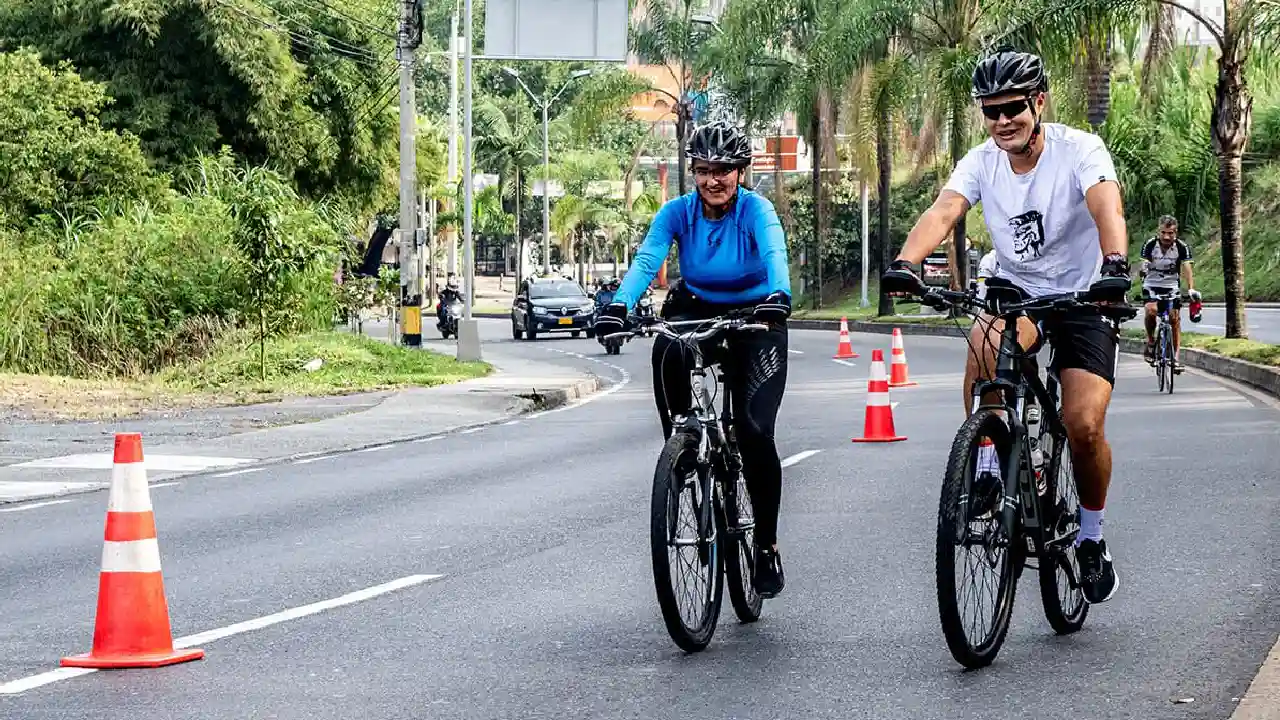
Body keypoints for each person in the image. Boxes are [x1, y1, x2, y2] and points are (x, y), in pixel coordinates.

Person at [880, 49, 1131, 605]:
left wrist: (1114, 266)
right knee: (985, 348)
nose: (1002, 122)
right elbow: (946, 209)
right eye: (991, 111)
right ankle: (990, 463)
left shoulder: (1078, 150)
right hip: (1014, 291)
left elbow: (1105, 204)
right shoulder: (981, 161)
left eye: (1013, 107)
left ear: (1038, 103)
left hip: (1084, 295)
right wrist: (906, 263)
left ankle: (1090, 538)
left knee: (1083, 424)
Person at [594, 120, 793, 598]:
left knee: (754, 432)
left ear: (740, 172)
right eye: (703, 170)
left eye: (723, 170)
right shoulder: (677, 212)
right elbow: (648, 260)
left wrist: (779, 295)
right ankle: (681, 444)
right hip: (697, 302)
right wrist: (619, 304)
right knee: (666, 346)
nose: (713, 180)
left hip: (757, 310)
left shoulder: (757, 211)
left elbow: (774, 252)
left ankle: (764, 546)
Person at [1140, 215, 1200, 370]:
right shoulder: (1150, 244)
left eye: (1171, 233)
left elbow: (1187, 269)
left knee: (1174, 319)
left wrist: (1191, 288)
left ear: (1176, 233)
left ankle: (1175, 358)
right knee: (1151, 311)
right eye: (1164, 232)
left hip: (1171, 286)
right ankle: (1151, 341)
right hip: (1152, 284)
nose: (1167, 237)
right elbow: (1144, 262)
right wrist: (1143, 269)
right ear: (1158, 232)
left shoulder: (1181, 247)